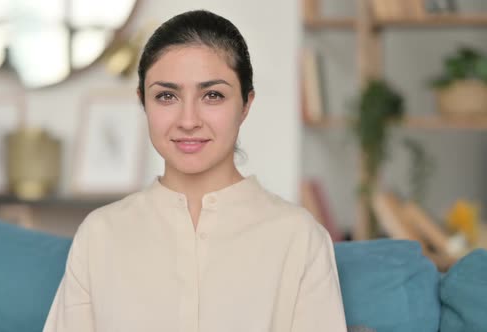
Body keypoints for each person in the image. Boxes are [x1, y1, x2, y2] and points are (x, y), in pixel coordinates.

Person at [43, 9, 347, 332]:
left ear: (245, 104)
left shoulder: (300, 239)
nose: (188, 121)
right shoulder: (99, 236)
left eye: (212, 95)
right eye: (166, 96)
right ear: (143, 102)